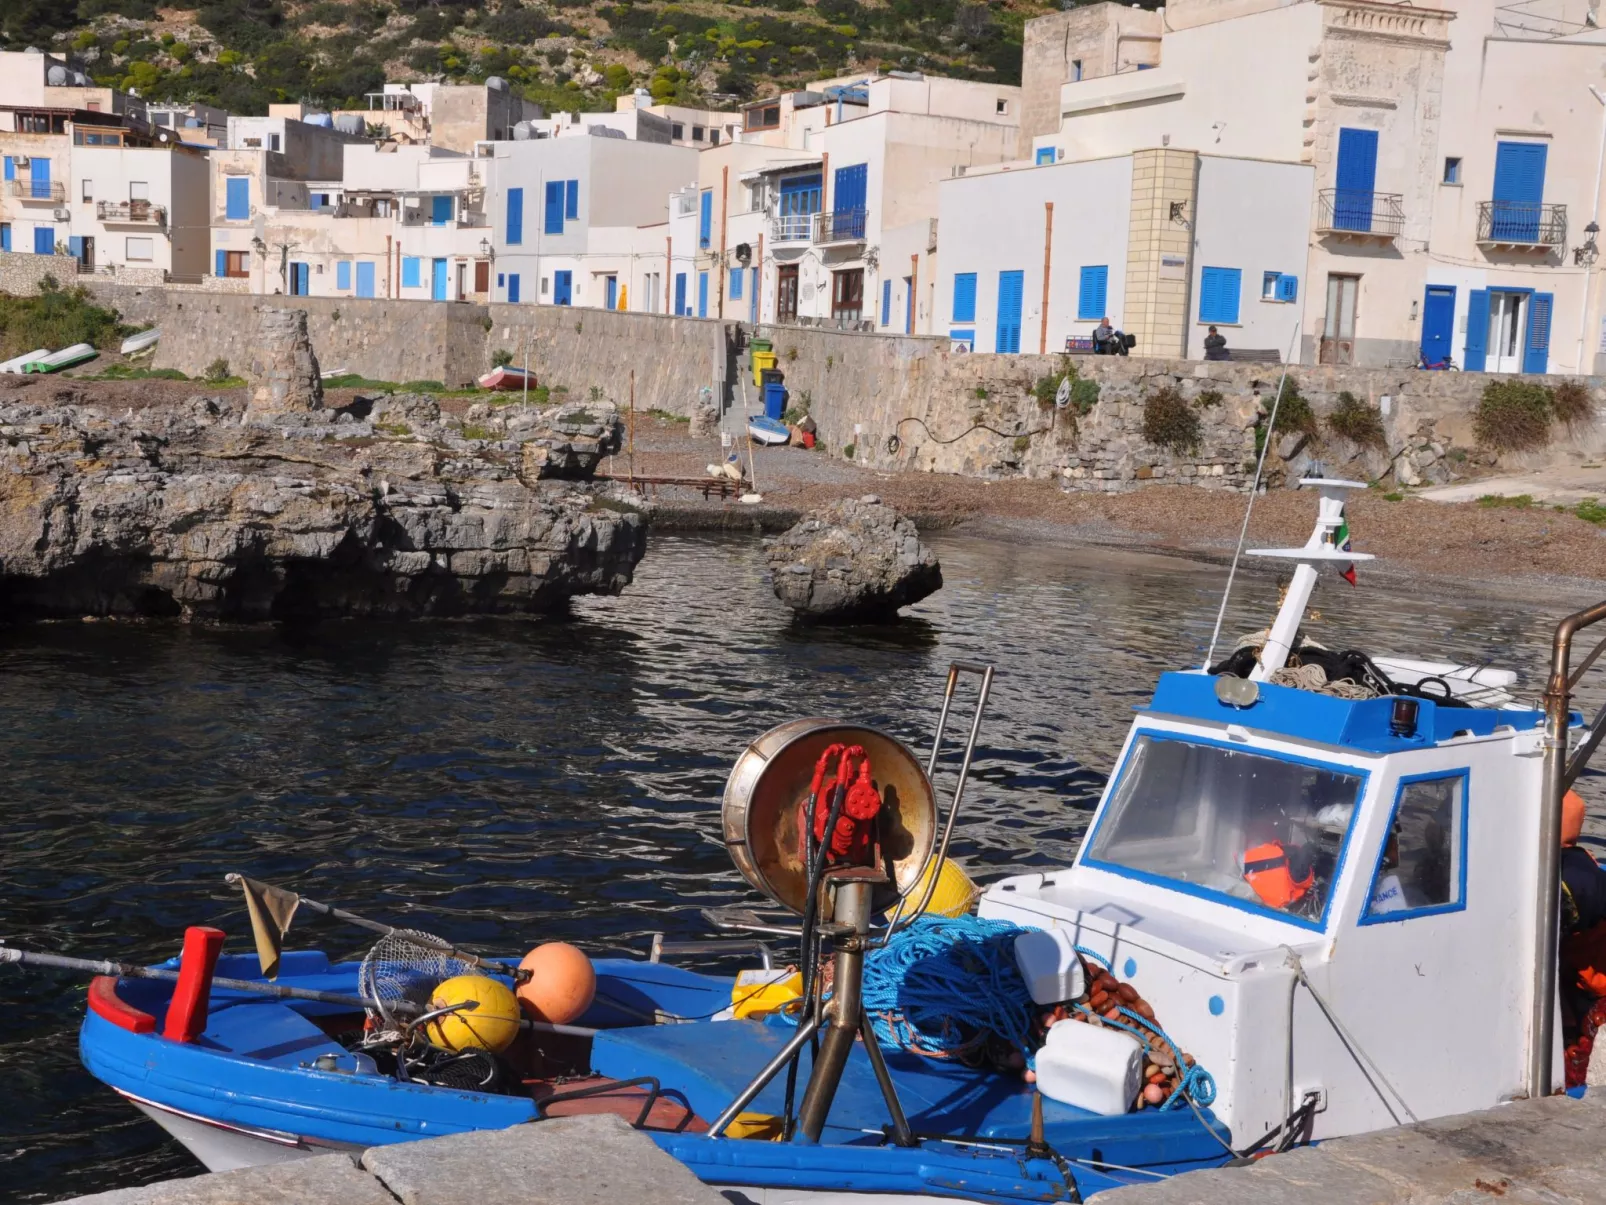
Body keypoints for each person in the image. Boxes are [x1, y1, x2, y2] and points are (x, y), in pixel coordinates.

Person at [1557, 789, 1606, 1086]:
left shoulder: (1570, 881)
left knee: (1576, 1058)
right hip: (1578, 977)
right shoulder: (1578, 863)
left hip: (1593, 988)